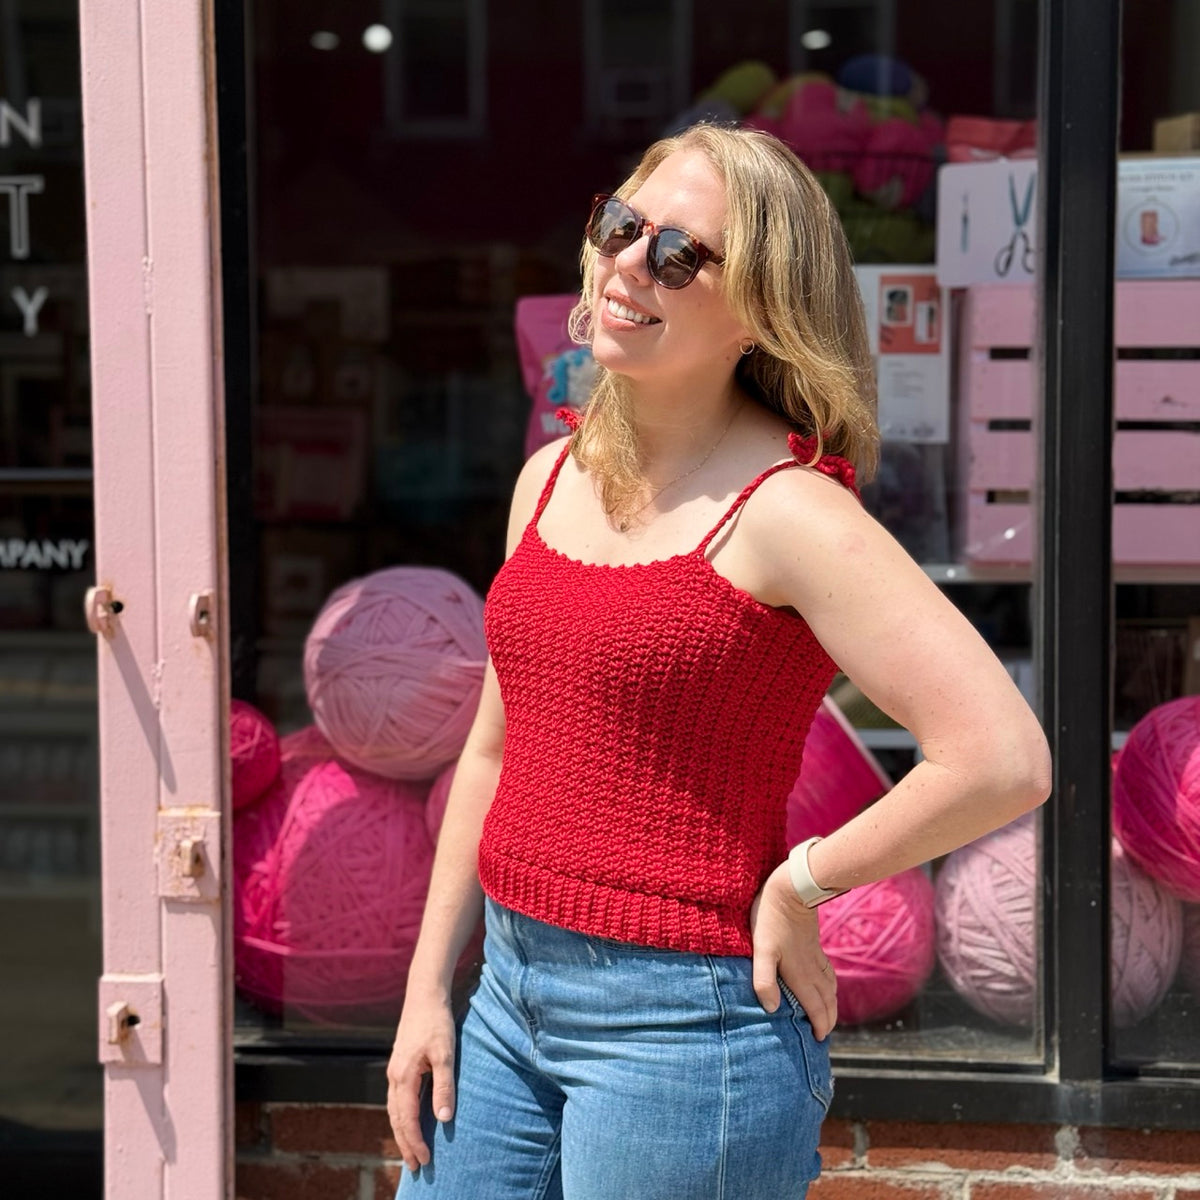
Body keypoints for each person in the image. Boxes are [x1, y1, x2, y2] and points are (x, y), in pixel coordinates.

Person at [387, 123, 1052, 1199]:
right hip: (506, 998)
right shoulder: (548, 479)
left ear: (762, 310)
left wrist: (804, 884)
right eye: (621, 226)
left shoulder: (789, 513)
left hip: (684, 1031)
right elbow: (492, 755)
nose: (628, 265)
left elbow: (1001, 755)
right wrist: (427, 991)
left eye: (680, 256)